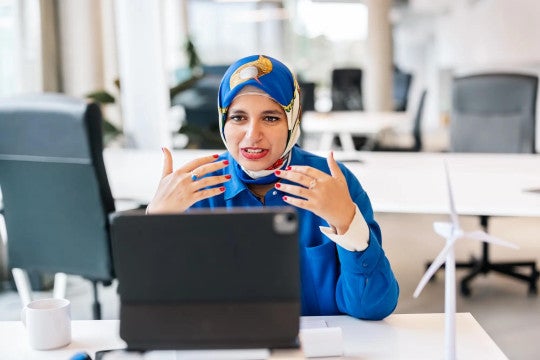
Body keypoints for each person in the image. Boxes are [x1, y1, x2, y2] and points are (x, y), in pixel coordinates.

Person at [147, 54, 399, 320]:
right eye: (238, 118)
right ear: (223, 120)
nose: (252, 134)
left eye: (270, 118)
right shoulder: (193, 190)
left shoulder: (333, 183)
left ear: (292, 120)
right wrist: (155, 226)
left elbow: (372, 307)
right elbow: (158, 311)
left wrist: (349, 225)